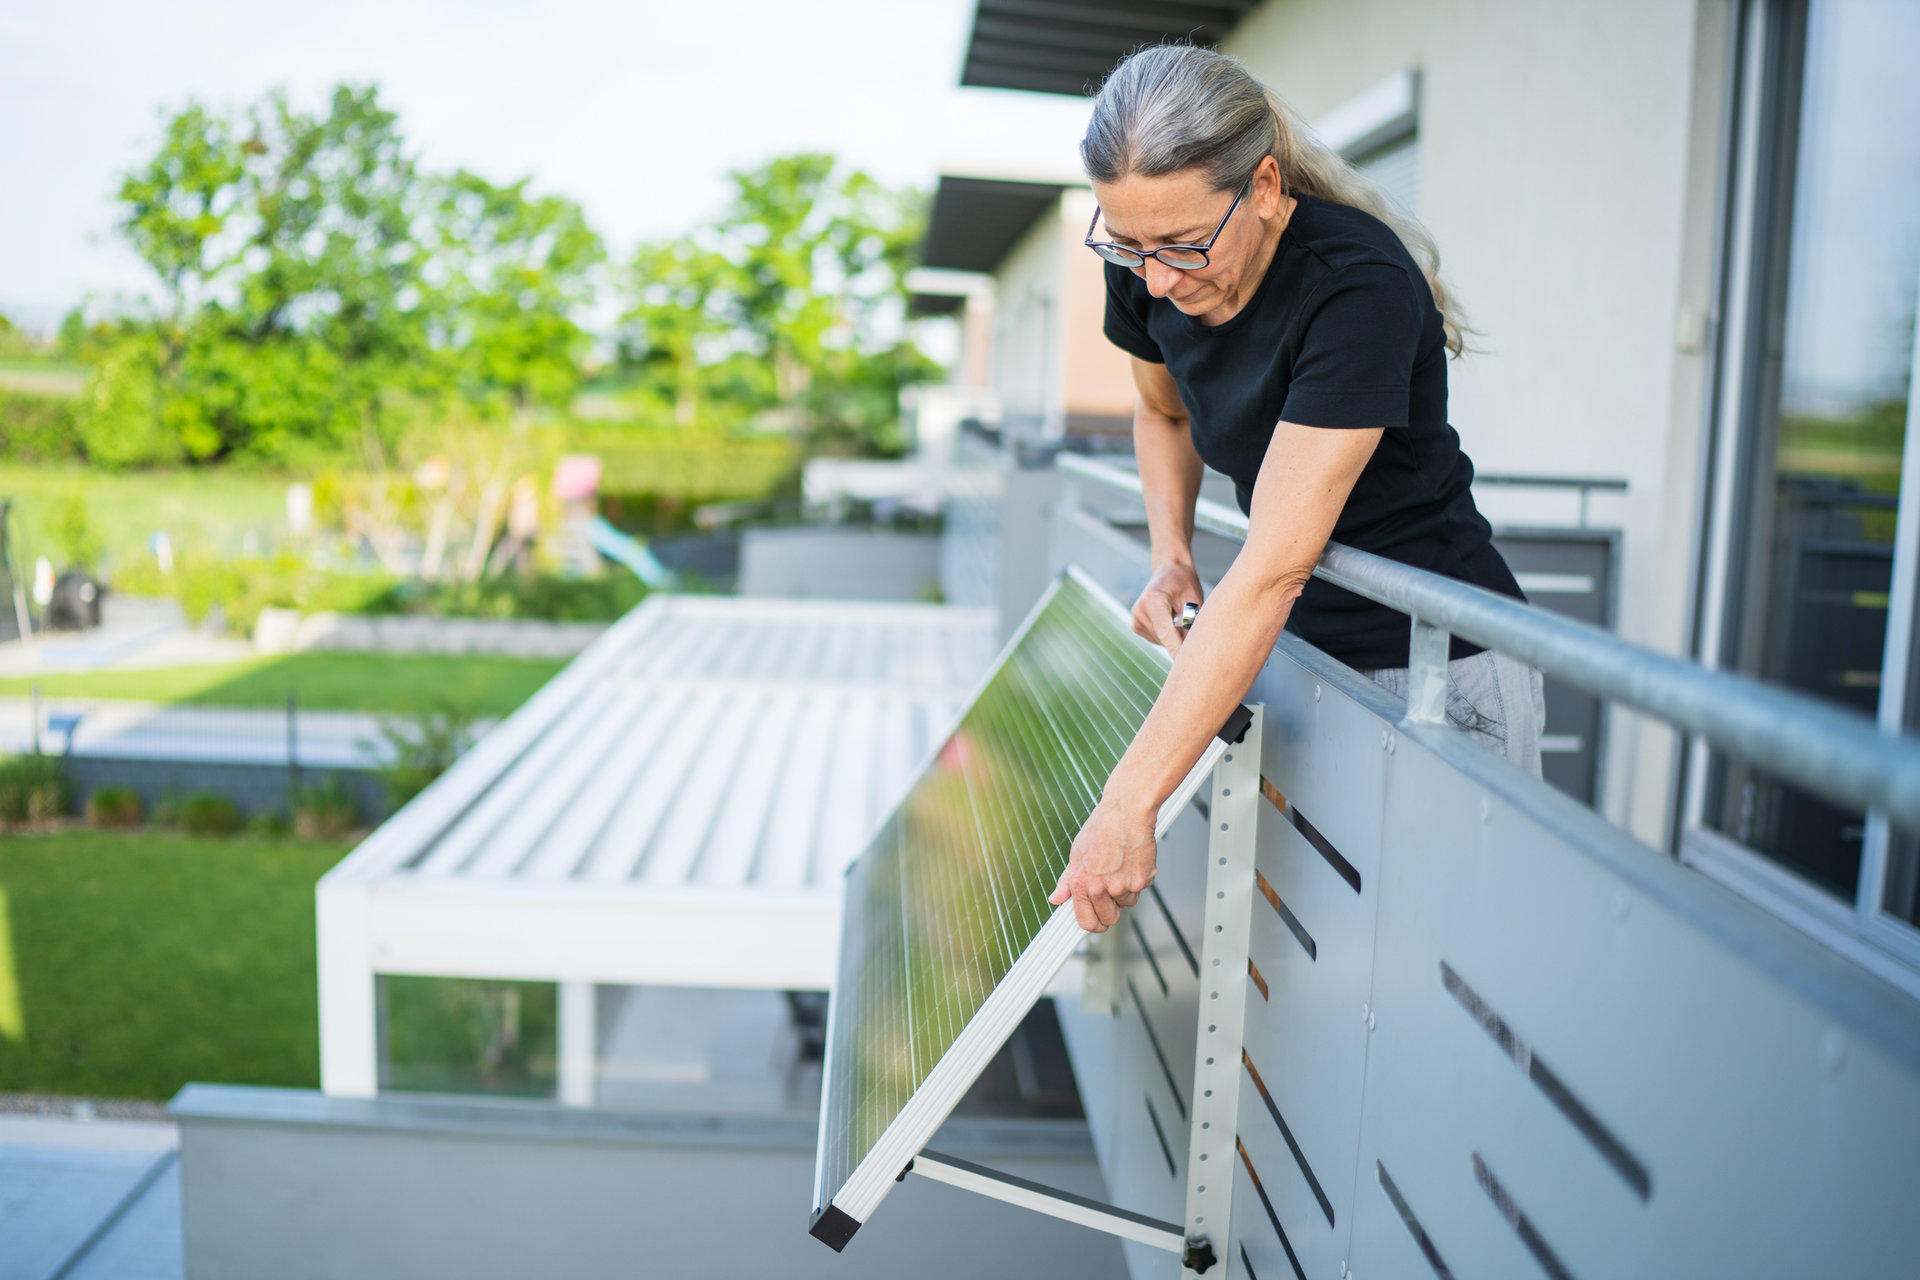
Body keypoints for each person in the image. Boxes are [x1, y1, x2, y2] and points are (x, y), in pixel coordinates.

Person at [1049, 45, 1543, 934]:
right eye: (1129, 245)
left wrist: (1128, 804)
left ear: (1267, 188)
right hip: (1298, 649)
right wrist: (1171, 558)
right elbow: (1162, 414)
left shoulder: (1357, 285)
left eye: (1184, 245)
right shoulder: (1147, 259)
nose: (1156, 279)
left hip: (1439, 666)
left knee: (1455, 960)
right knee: (1317, 954)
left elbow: (1274, 568)